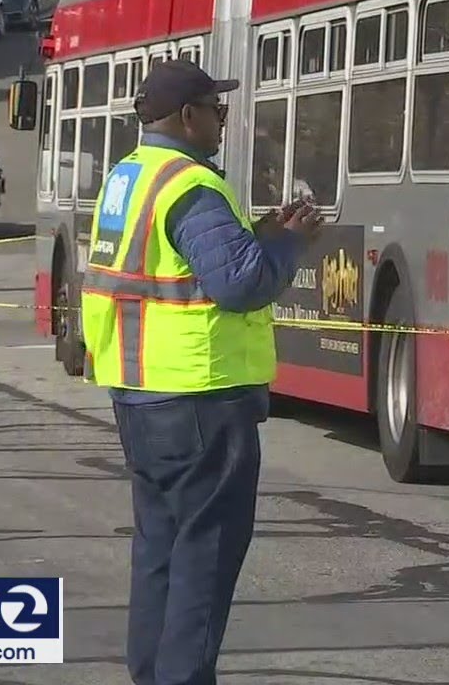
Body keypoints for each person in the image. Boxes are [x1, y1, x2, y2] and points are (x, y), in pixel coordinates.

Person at [79, 59, 323, 685]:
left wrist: (257, 232)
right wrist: (291, 243)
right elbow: (240, 283)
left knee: (159, 550)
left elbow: (186, 263)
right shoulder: (192, 185)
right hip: (200, 394)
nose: (222, 121)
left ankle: (152, 673)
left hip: (140, 391)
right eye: (216, 109)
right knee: (204, 559)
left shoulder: (128, 177)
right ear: (187, 115)